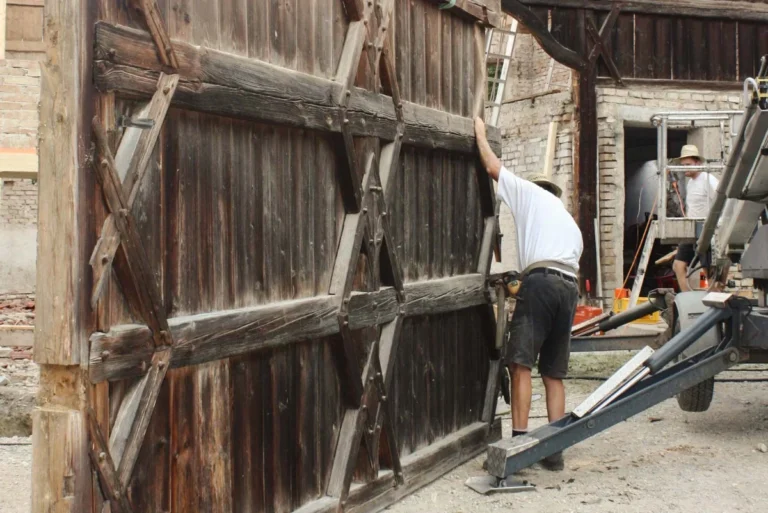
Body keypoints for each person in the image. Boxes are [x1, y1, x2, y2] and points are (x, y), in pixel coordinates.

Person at [474, 117, 583, 471]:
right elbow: (558, 267)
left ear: (535, 188)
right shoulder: (569, 223)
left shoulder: (527, 193)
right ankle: (555, 450)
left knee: (520, 364)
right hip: (568, 287)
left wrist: (479, 129)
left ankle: (520, 446)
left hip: (543, 282)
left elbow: (492, 166)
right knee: (553, 373)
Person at [672, 145, 719, 292]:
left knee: (709, 272)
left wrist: (716, 228)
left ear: (697, 163)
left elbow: (722, 203)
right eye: (682, 166)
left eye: (688, 165)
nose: (684, 168)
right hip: (692, 230)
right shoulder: (691, 182)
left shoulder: (708, 180)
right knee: (678, 265)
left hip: (706, 230)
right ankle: (687, 298)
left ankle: (715, 299)